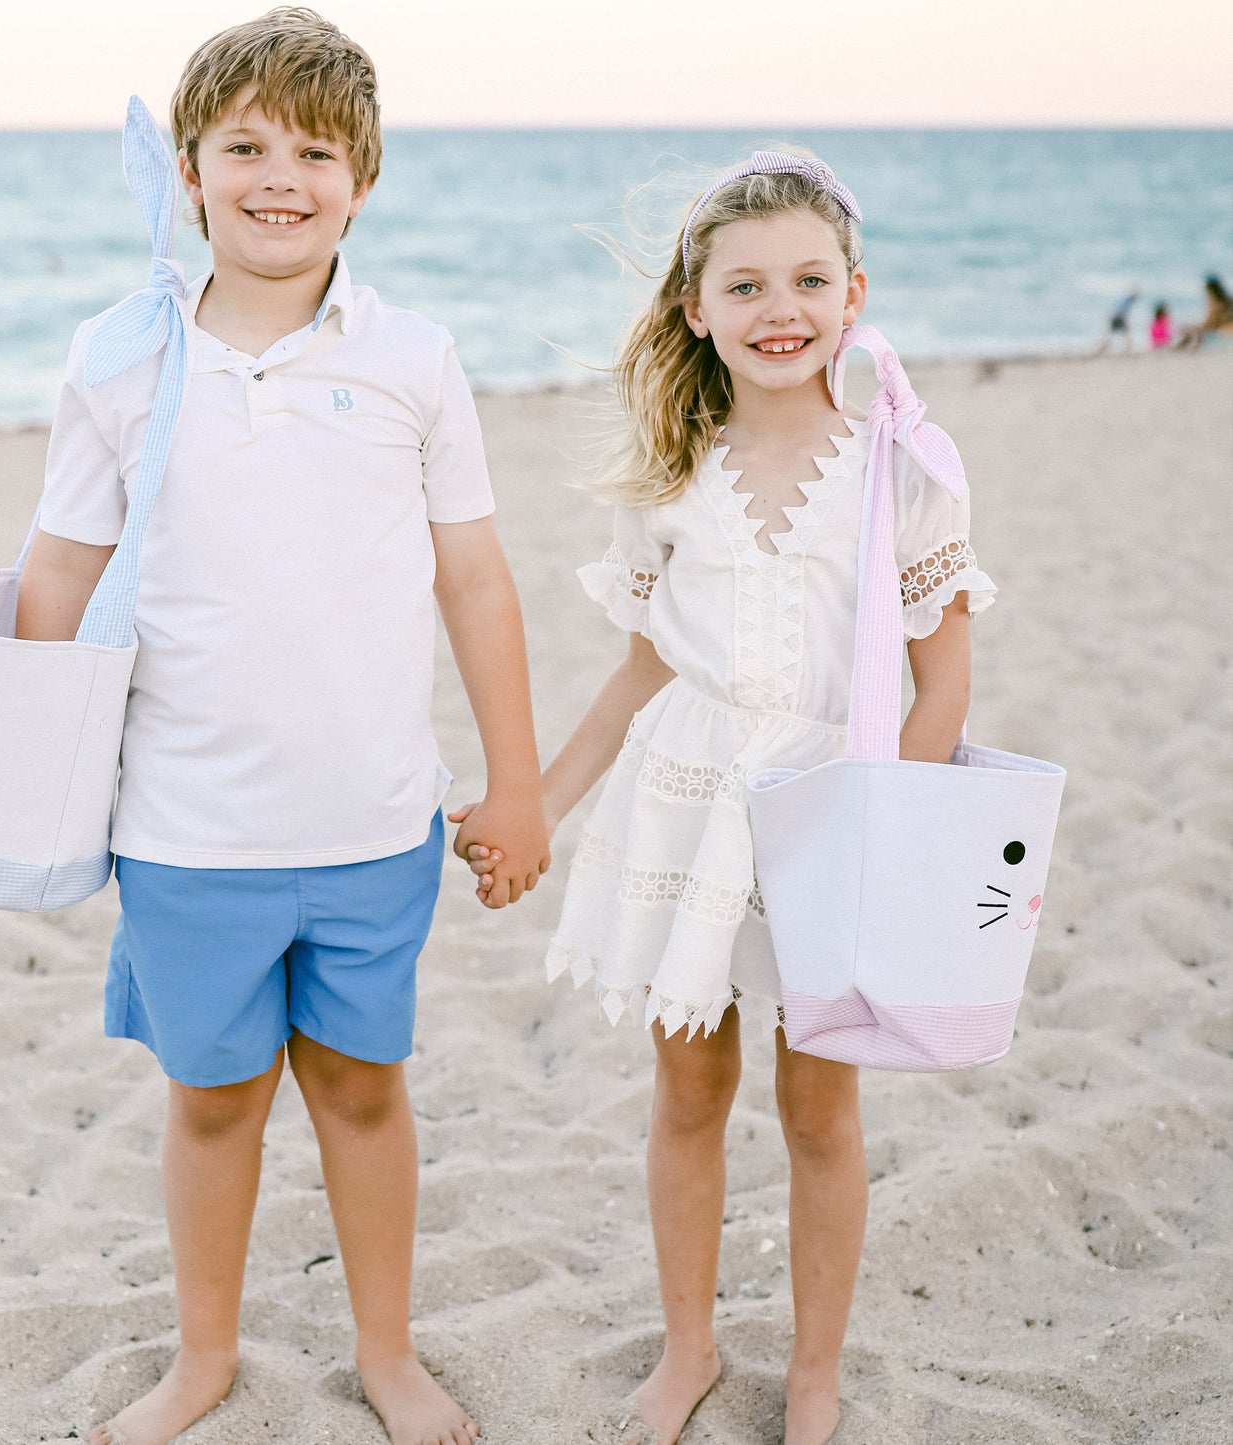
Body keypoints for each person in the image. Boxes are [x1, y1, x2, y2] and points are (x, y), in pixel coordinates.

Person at [15, 10, 548, 1445]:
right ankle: (203, 1357)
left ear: (360, 180)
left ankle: (386, 1350)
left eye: (314, 151)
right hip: (186, 830)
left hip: (376, 821)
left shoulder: (413, 357)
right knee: (212, 1104)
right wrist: (23, 776)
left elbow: (476, 578)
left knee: (365, 1095)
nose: (278, 177)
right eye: (243, 144)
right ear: (188, 169)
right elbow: (58, 571)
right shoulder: (120, 356)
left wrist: (517, 786)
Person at [461, 150, 996, 1445]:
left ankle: (813, 1373)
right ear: (695, 308)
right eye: (745, 283)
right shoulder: (672, 476)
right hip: (689, 810)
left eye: (809, 279)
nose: (780, 307)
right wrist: (529, 799)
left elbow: (942, 686)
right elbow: (637, 672)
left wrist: (887, 839)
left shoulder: (901, 468)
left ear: (854, 293)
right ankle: (687, 1349)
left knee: (819, 1104)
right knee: (687, 1090)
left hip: (837, 811)